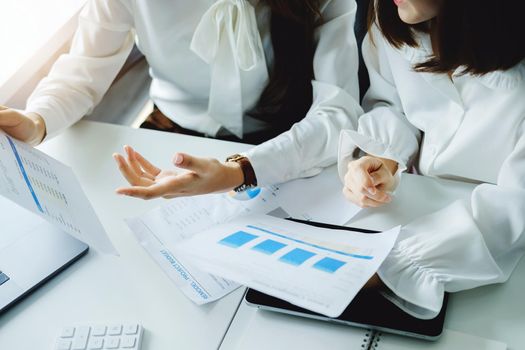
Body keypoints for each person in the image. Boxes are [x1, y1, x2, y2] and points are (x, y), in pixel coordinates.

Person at [0, 0, 363, 198]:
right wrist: (37, 121)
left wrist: (242, 170)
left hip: (286, 140)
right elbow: (85, 68)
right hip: (167, 134)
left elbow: (338, 111)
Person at [340, 0, 525, 318]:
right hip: (412, 211)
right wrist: (383, 156)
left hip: (496, 259)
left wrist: (395, 265)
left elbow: (515, 207)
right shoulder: (395, 16)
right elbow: (393, 103)